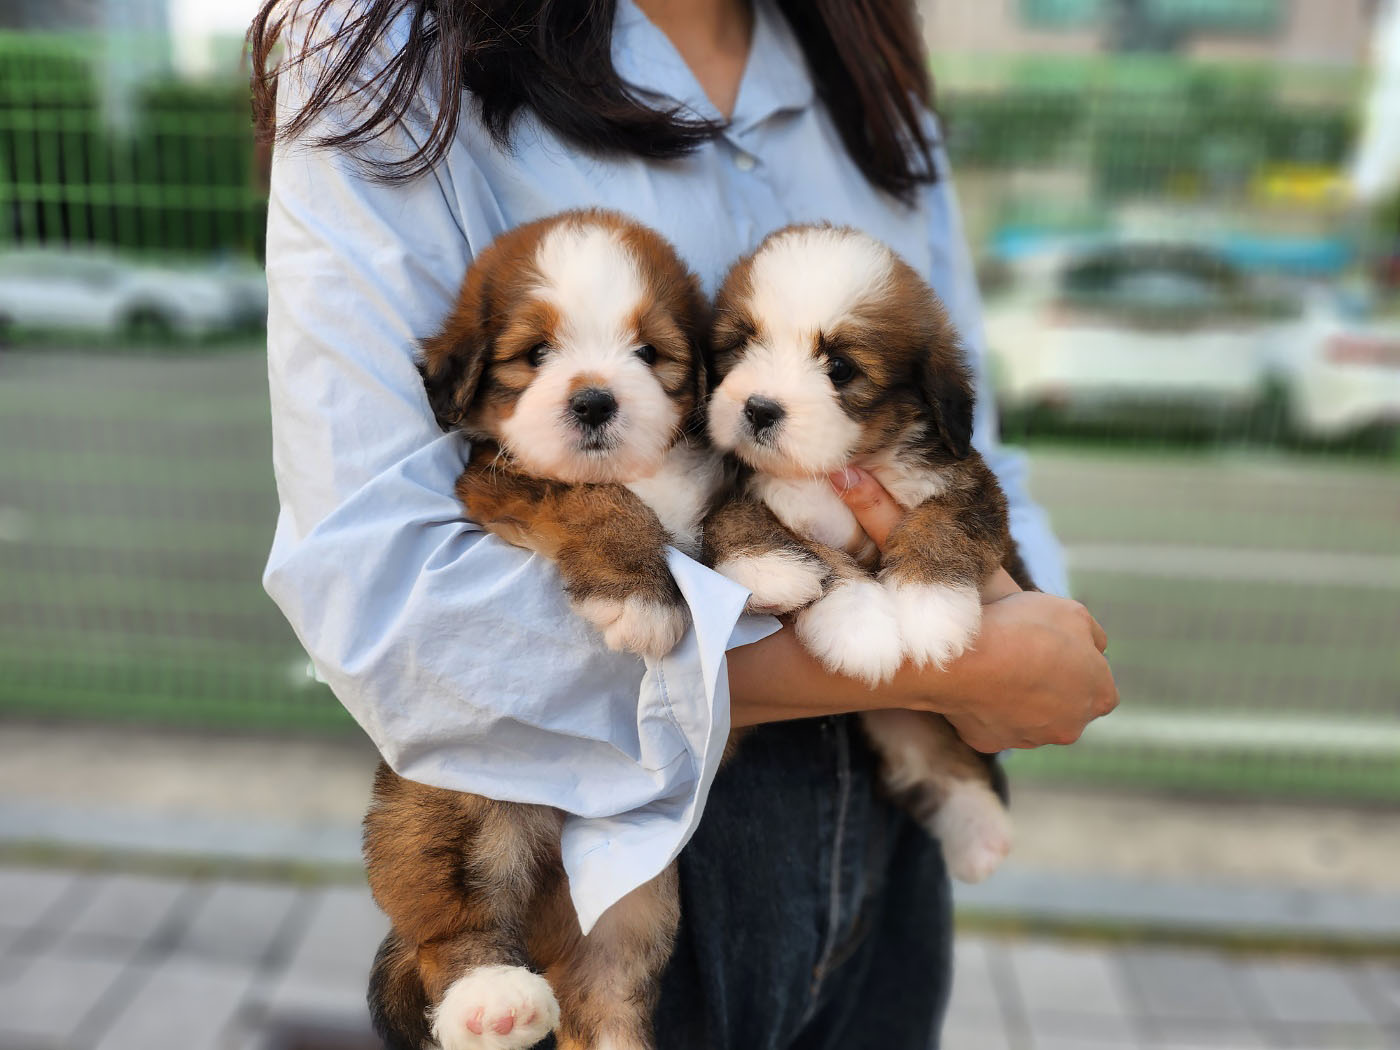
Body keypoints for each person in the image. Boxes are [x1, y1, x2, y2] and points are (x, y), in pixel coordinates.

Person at [251, 1, 1118, 1046]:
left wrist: (1023, 627)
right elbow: (382, 597)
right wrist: (953, 668)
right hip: (588, 837)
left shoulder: (860, 48)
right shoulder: (378, 51)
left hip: (889, 852)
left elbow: (966, 440)